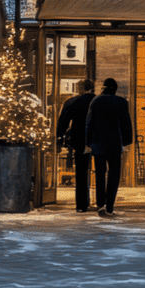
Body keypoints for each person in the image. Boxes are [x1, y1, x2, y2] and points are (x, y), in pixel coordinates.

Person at [85, 77, 134, 217]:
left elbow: (89, 123)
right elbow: (126, 123)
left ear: (103, 87)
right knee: (114, 173)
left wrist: (88, 142)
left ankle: (100, 202)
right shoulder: (121, 102)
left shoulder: (96, 101)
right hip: (114, 143)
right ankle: (110, 205)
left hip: (98, 143)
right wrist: (126, 142)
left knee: (100, 173)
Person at [54, 79, 96, 212]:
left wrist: (59, 137)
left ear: (80, 89)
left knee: (81, 172)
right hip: (97, 139)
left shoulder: (72, 102)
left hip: (79, 139)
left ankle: (82, 204)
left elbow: (63, 121)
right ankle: (101, 201)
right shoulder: (97, 101)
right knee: (100, 171)